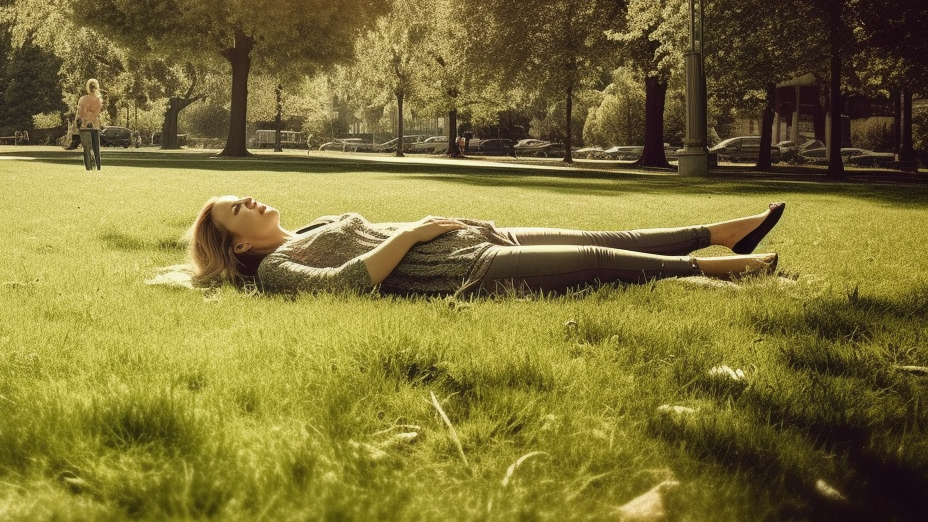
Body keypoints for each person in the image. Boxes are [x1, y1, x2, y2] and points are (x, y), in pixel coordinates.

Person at [186, 197, 786, 297]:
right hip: (466, 270)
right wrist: (416, 234)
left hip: (472, 240)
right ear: (238, 246)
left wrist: (441, 223)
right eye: (240, 209)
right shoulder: (279, 270)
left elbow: (384, 233)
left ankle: (726, 233)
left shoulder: (310, 228)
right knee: (597, 263)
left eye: (244, 197)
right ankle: (717, 270)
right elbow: (350, 284)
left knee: (604, 238)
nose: (254, 201)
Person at [75, 78, 104, 171]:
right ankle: (98, 167)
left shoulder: (82, 99)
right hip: (95, 126)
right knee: (96, 149)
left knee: (86, 149)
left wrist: (81, 122)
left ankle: (89, 167)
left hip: (84, 126)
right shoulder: (98, 100)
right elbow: (97, 113)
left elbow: (79, 113)